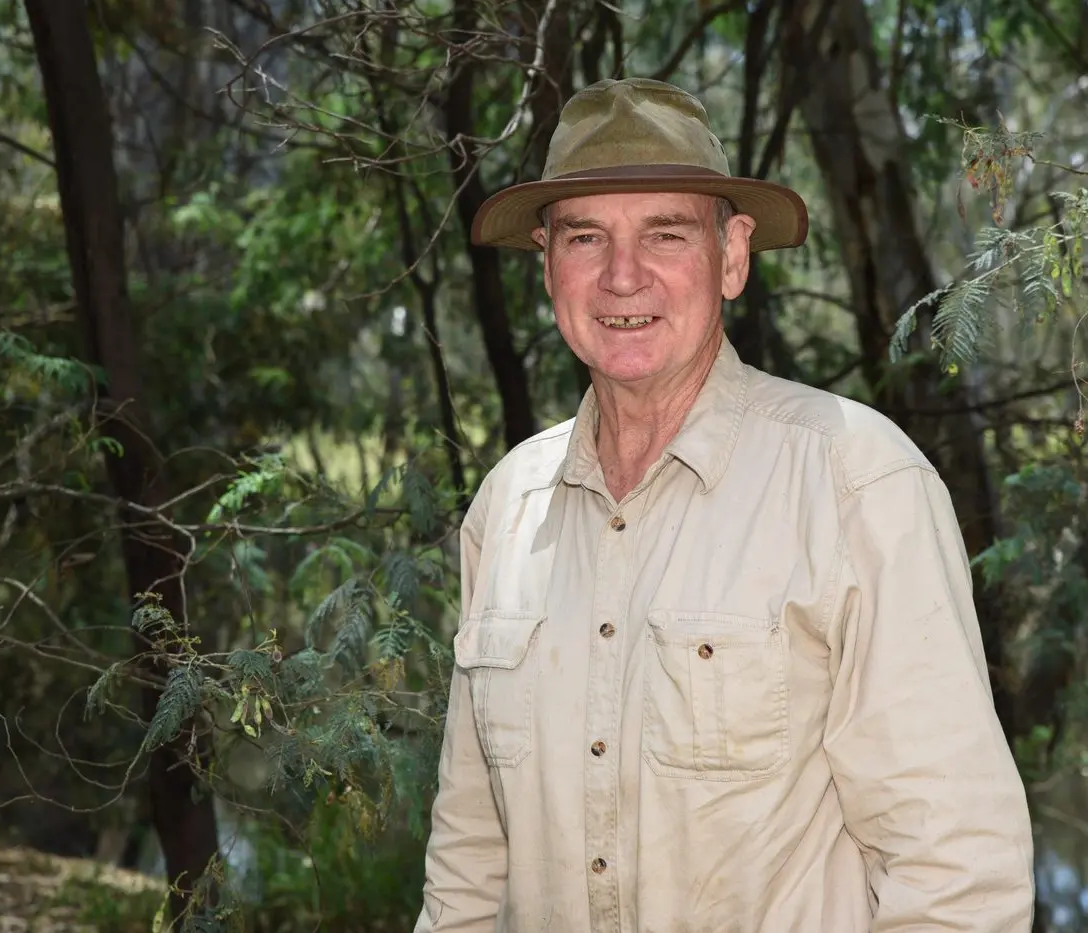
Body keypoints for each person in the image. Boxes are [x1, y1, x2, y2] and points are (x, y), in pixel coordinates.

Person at [413, 77, 1035, 933]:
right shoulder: (509, 504)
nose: (622, 277)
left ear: (732, 255)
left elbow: (958, 870)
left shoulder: (854, 480)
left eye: (665, 234)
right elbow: (468, 863)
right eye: (586, 237)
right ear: (546, 262)